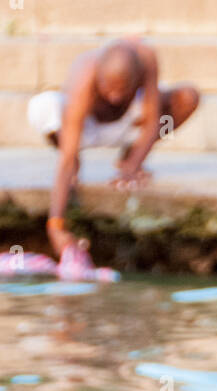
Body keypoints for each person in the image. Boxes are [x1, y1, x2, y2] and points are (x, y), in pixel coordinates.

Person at [28, 39, 200, 262]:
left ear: (135, 77)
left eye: (123, 89)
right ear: (99, 78)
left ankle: (128, 156)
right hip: (86, 131)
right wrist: (56, 224)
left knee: (187, 97)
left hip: (126, 125)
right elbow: (66, 159)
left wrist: (132, 167)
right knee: (41, 107)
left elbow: (152, 120)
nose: (115, 97)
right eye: (108, 89)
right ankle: (83, 163)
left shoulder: (146, 57)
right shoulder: (85, 73)